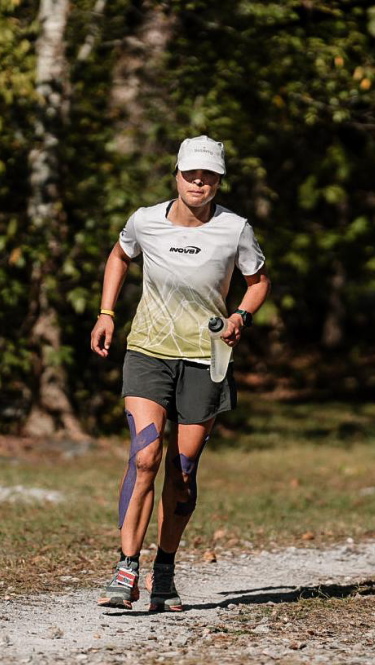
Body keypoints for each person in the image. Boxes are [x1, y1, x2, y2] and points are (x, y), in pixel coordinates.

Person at [89, 135, 271, 611]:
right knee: (145, 457)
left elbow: (258, 282)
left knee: (182, 472)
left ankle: (164, 569)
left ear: (218, 180)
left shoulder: (235, 230)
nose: (199, 182)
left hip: (205, 360)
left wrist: (239, 318)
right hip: (148, 351)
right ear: (177, 174)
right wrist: (107, 312)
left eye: (208, 175)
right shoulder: (145, 221)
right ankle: (127, 568)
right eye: (191, 173)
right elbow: (118, 255)